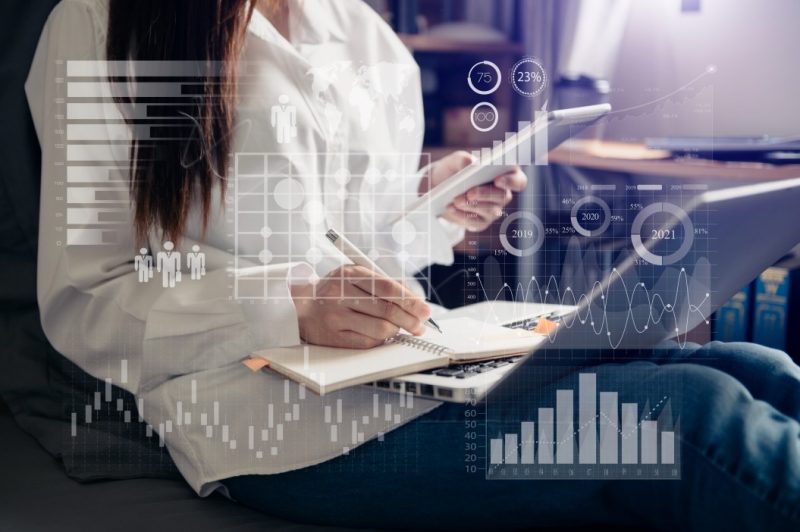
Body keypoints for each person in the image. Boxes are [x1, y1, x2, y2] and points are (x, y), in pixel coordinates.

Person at [25, 0, 800, 530]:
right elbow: (87, 300)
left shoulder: (362, 35)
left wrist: (436, 205)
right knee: (687, 416)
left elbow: (358, 239)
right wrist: (290, 304)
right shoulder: (103, 23)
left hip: (417, 356)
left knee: (754, 366)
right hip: (269, 414)